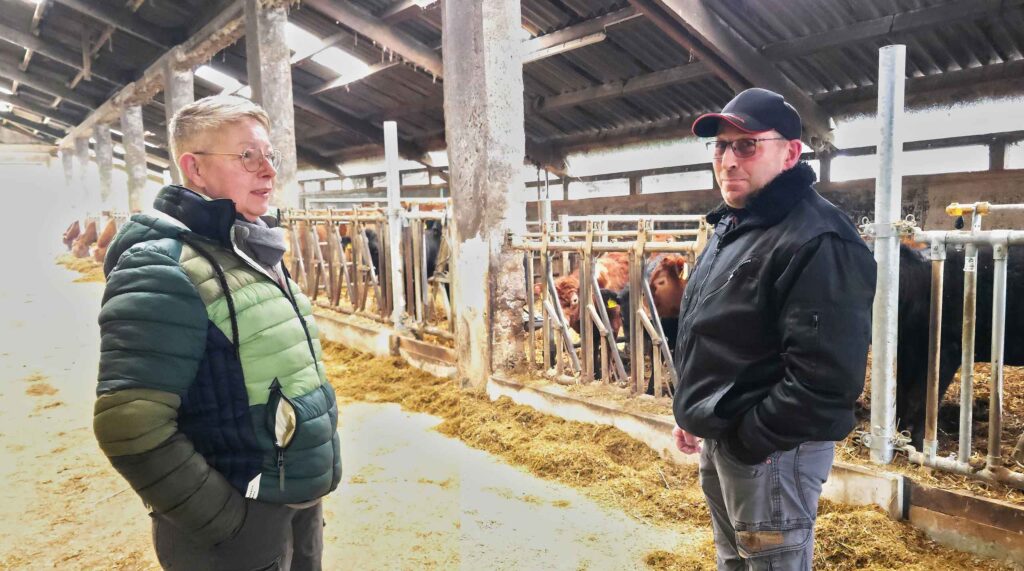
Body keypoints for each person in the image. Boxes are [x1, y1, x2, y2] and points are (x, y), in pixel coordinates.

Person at [93, 95, 341, 570]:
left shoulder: (250, 248)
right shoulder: (162, 265)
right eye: (248, 156)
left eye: (270, 156)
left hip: (290, 496)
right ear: (195, 169)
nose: (268, 171)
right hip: (236, 518)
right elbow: (129, 424)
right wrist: (226, 523)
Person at [671, 88, 876, 570]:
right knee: (736, 561)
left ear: (791, 152)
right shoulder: (737, 225)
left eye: (747, 145)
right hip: (727, 433)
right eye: (720, 146)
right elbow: (717, 333)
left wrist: (750, 440)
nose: (728, 160)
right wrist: (693, 411)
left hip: (772, 452)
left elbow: (825, 381)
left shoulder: (818, 239)